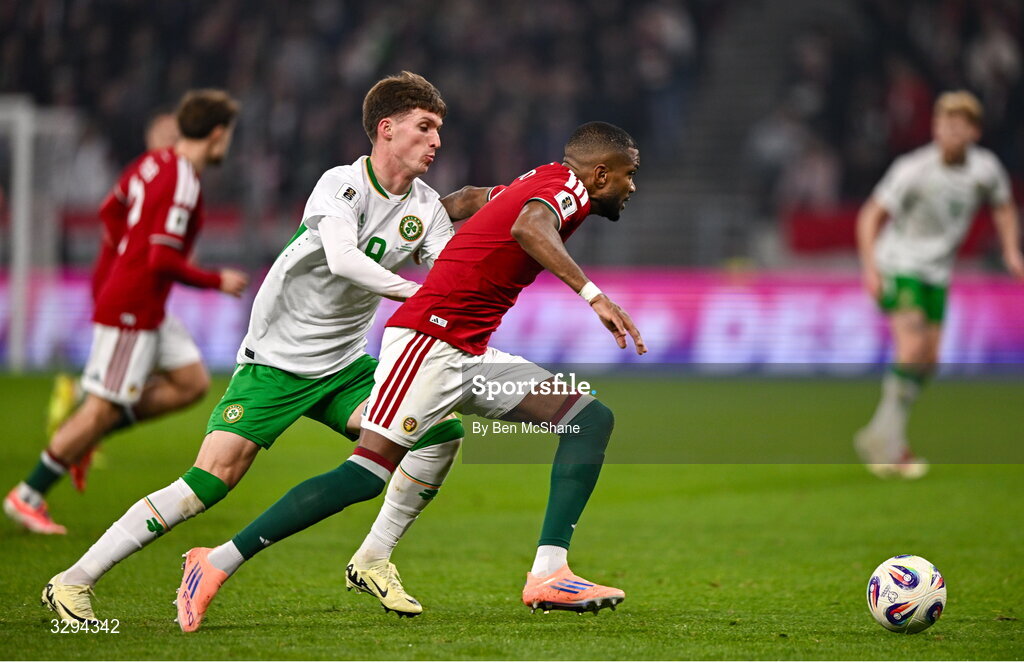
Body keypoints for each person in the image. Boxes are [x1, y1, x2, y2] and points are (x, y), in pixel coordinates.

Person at [41, 72, 492, 626]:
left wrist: (497, 218)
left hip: (345, 367)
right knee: (208, 483)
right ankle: (72, 581)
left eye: (439, 130)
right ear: (386, 129)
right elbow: (343, 260)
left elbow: (451, 274)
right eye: (424, 127)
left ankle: (374, 557)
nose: (436, 141)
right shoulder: (341, 185)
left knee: (438, 430)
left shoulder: (427, 206)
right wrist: (418, 292)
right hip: (276, 362)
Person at [175, 121, 644, 631]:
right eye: (628, 174)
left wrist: (412, 227)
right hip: (427, 344)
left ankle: (549, 572)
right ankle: (215, 561)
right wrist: (593, 295)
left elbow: (466, 199)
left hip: (466, 350)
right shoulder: (566, 191)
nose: (632, 185)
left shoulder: (544, 178)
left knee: (587, 418)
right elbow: (528, 228)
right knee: (364, 475)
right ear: (600, 174)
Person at [4, 90, 249, 535]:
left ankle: (86, 432)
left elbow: (110, 209)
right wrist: (217, 281)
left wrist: (119, 259)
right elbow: (161, 260)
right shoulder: (183, 182)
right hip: (134, 307)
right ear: (217, 134)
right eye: (228, 135)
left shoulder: (152, 162)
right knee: (100, 409)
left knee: (191, 382)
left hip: (144, 302)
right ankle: (29, 494)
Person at [855, 90, 1024, 479]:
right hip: (899, 264)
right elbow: (870, 215)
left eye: (957, 126)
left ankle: (878, 434)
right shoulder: (913, 169)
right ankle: (890, 447)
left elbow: (1003, 205)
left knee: (928, 362)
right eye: (942, 125)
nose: (947, 132)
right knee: (912, 346)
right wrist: (870, 268)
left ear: (974, 132)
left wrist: (1012, 250)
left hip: (937, 272)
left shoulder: (985, 169)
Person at [42, 107, 187, 492]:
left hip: (125, 289)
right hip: (124, 295)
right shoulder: (159, 176)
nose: (175, 144)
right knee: (115, 391)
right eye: (169, 137)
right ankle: (36, 485)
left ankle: (82, 409)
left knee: (185, 380)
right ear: (152, 139)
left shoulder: (145, 174)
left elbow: (110, 214)